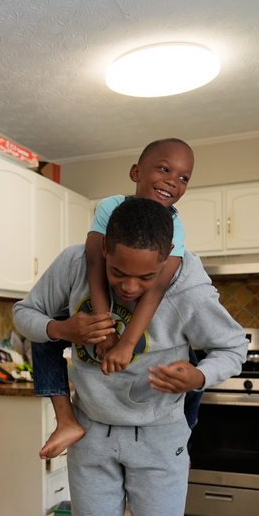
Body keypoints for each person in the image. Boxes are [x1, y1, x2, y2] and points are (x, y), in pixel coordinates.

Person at [13, 198, 247, 516]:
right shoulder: (73, 264)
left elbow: (233, 347)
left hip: (160, 438)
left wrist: (199, 376)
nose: (131, 286)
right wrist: (64, 329)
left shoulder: (188, 288)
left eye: (146, 277)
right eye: (120, 273)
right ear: (103, 252)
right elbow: (25, 314)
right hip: (93, 432)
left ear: (166, 262)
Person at [32, 138, 199, 460]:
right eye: (164, 169)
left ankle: (183, 433)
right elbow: (94, 263)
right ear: (136, 171)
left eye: (183, 177)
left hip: (147, 316)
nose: (172, 181)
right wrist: (104, 327)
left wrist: (125, 343)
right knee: (44, 332)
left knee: (191, 364)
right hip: (100, 303)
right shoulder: (109, 207)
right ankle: (66, 421)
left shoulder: (176, 228)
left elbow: (157, 290)